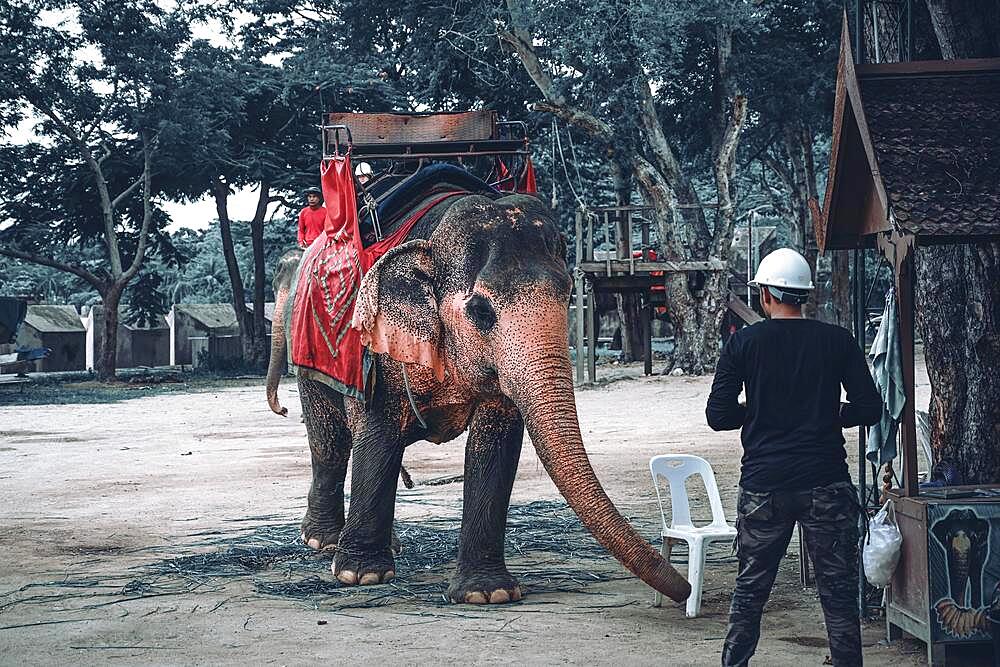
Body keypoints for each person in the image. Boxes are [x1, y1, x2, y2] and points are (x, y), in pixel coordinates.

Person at [706, 248, 881, 667]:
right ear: (804, 295)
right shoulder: (838, 341)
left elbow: (718, 415)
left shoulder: (743, 343)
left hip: (764, 485)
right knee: (838, 591)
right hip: (826, 482)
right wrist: (831, 414)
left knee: (751, 589)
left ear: (765, 294)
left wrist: (758, 410)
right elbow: (870, 408)